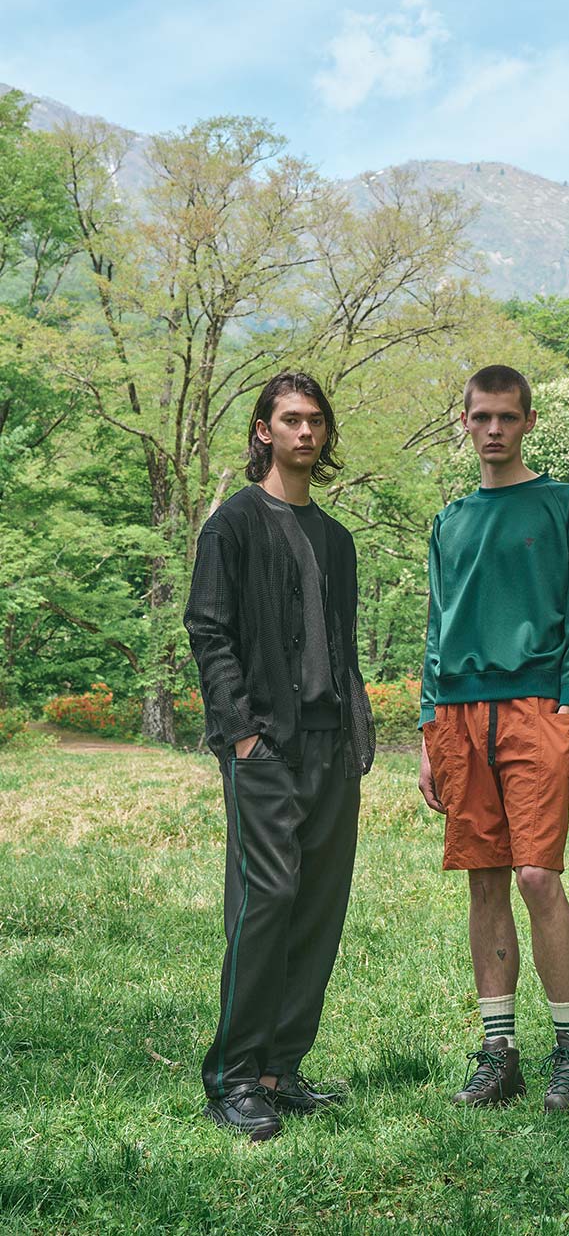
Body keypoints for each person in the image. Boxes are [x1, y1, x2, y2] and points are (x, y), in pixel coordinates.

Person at [184, 370, 374, 1141]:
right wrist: (242, 735)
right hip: (264, 746)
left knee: (319, 909)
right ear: (264, 429)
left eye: (316, 421)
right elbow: (208, 630)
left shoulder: (336, 539)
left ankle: (279, 1071)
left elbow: (342, 647)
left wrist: (355, 734)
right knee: (266, 902)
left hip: (331, 745)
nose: (305, 432)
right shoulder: (232, 525)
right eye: (291, 419)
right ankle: (233, 1077)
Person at [417, 365, 569, 1112]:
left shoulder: (566, 506)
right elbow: (436, 627)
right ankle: (499, 1056)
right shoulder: (450, 520)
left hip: (536, 709)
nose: (493, 429)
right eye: (481, 417)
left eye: (506, 416)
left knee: (536, 876)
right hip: (458, 715)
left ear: (528, 421)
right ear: (464, 422)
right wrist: (429, 725)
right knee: (485, 877)